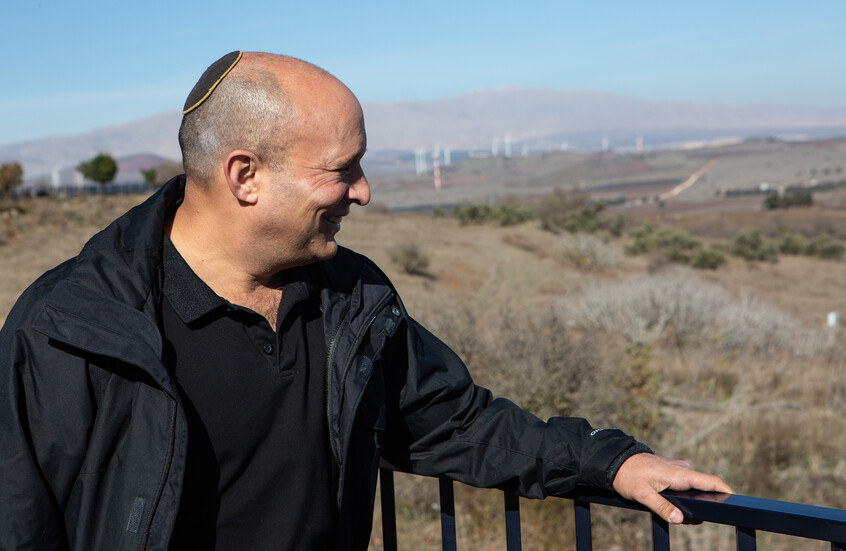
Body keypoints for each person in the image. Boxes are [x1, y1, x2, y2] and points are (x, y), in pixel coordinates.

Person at [0, 51, 731, 550]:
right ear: (245, 175)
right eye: (341, 170)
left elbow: (457, 421)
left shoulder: (353, 297)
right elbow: (19, 521)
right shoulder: (70, 328)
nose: (364, 191)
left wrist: (610, 463)